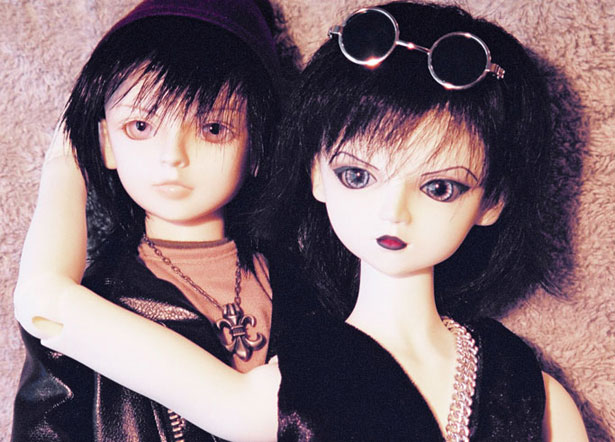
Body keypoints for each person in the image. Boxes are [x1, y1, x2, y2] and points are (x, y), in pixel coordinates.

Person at [14, 2, 588, 441]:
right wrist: (71, 151)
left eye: (441, 187)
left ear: (493, 201)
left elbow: (45, 298)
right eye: (357, 176)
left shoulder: (527, 387)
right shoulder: (297, 384)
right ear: (315, 173)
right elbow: (44, 302)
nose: (394, 211)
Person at [11, 0, 291, 440]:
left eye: (213, 129)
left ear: (257, 145)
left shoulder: (304, 283)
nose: (172, 156)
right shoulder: (98, 300)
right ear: (105, 142)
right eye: (140, 126)